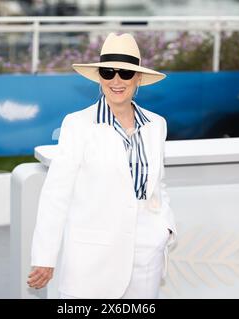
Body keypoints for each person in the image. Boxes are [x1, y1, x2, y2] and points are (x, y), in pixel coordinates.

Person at [27, 32, 177, 299]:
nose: (116, 81)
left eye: (126, 73)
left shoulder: (156, 124)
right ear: (99, 78)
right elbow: (56, 195)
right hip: (92, 260)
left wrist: (164, 229)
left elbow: (158, 185)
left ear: (138, 78)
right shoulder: (77, 125)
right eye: (108, 72)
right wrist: (45, 257)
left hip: (146, 256)